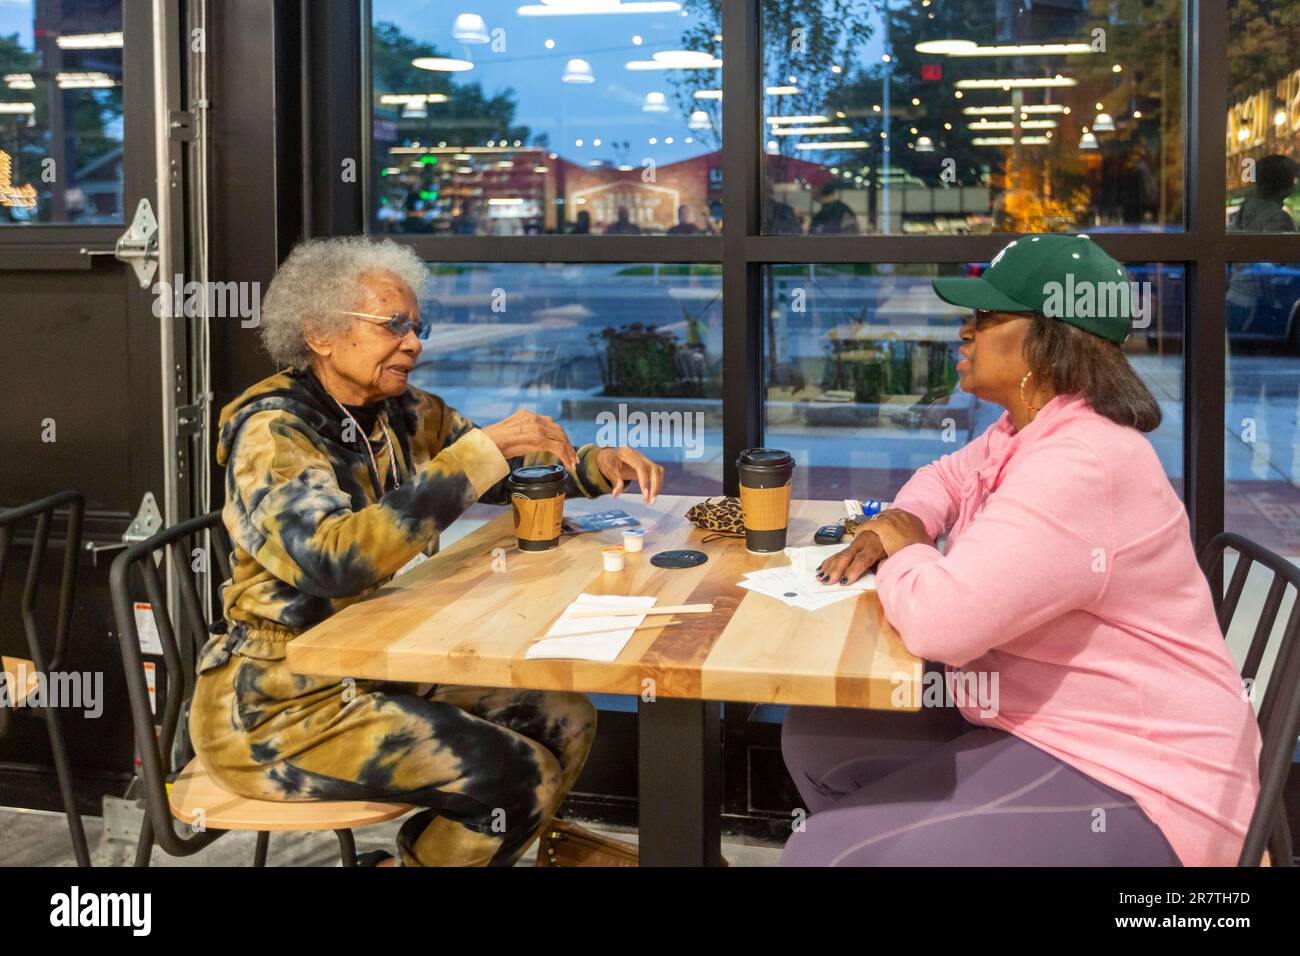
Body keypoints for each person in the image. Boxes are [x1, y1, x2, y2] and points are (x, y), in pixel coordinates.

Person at [783, 234, 1262, 866]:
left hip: (1142, 773)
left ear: (1046, 339)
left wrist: (904, 551)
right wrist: (901, 524)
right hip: (1033, 718)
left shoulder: (1082, 462)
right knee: (819, 735)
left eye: (985, 316)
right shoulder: (1028, 429)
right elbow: (944, 477)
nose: (965, 331)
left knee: (821, 855)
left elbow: (943, 625)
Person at [189, 236, 665, 866]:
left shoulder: (397, 409)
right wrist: (477, 453)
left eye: (417, 326)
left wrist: (598, 467)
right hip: (280, 701)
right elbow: (333, 561)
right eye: (392, 325)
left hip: (377, 663)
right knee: (518, 778)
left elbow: (494, 476)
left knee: (565, 717)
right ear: (320, 332)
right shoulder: (274, 431)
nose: (413, 343)